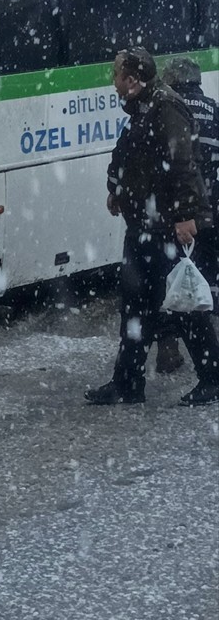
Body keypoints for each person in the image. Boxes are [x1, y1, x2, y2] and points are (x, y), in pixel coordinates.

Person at [85, 46, 219, 406]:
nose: (113, 82)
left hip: (165, 225)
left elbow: (182, 163)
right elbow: (128, 155)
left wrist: (186, 216)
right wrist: (116, 189)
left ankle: (213, 378)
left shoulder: (165, 106)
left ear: (132, 79)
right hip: (143, 224)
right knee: (135, 306)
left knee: (182, 302)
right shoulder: (142, 107)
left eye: (116, 75)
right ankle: (127, 383)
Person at [151, 56, 219, 372]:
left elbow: (167, 164)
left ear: (172, 82)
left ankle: (169, 347)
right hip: (211, 208)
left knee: (172, 275)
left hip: (178, 211)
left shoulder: (169, 110)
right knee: (206, 273)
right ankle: (209, 343)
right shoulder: (214, 110)